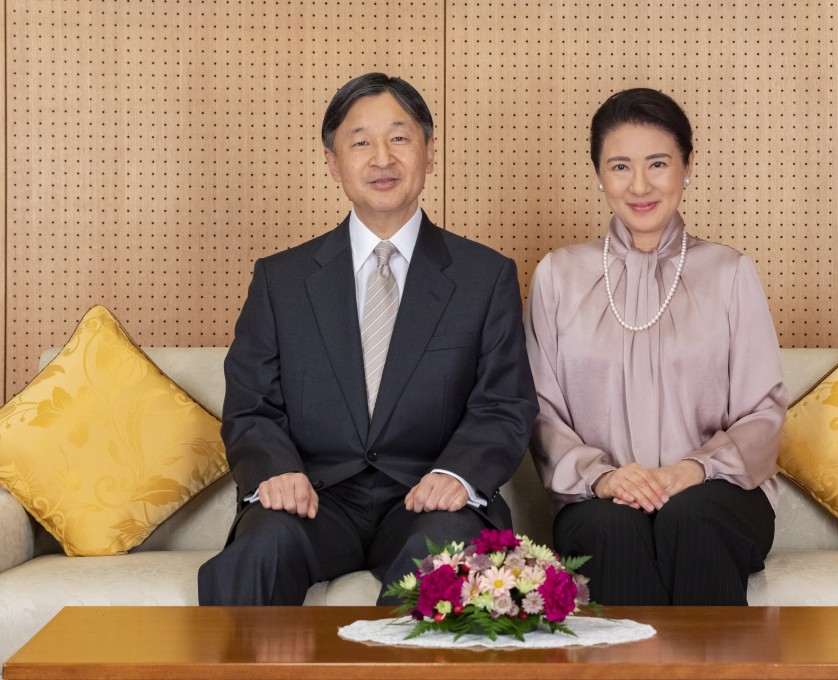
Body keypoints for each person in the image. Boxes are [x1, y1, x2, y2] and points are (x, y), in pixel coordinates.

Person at [198, 73, 538, 606]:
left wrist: (457, 475)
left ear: (429, 153)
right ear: (333, 163)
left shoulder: (484, 276)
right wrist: (276, 470)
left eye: (400, 138)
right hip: (315, 497)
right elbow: (251, 404)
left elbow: (504, 403)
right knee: (262, 547)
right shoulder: (280, 280)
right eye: (360, 142)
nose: (382, 158)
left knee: (450, 551)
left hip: (429, 499)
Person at [525, 88, 787, 606]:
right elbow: (540, 411)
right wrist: (602, 478)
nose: (639, 185)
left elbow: (763, 411)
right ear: (599, 174)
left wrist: (691, 471)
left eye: (658, 164)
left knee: (690, 517)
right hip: (596, 497)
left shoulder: (730, 273)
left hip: (718, 493)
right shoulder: (558, 275)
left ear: (687, 166)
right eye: (620, 166)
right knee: (611, 527)